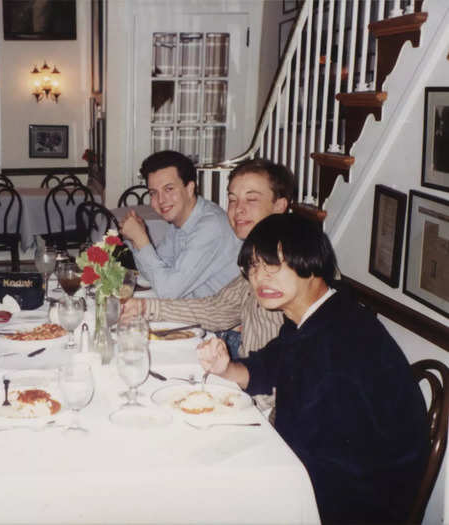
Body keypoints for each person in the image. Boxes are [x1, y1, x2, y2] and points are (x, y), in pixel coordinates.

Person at [197, 214, 429, 524]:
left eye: (273, 265)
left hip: (357, 501)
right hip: (327, 473)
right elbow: (271, 365)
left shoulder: (339, 342)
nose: (260, 279)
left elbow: (313, 456)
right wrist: (226, 368)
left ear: (310, 264)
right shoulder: (316, 315)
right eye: (252, 267)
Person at [122, 159, 293, 358]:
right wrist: (144, 307)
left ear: (279, 206)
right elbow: (217, 309)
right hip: (238, 353)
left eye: (252, 199)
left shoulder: (291, 261)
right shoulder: (257, 257)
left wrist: (141, 240)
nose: (238, 209)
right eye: (232, 199)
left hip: (246, 358)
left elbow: (274, 360)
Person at [119, 150, 240, 299]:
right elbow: (154, 274)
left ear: (189, 189)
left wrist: (141, 240)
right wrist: (136, 241)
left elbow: (168, 292)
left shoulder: (210, 226)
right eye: (153, 193)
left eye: (169, 189)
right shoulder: (178, 223)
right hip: (193, 308)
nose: (161, 200)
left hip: (222, 318)